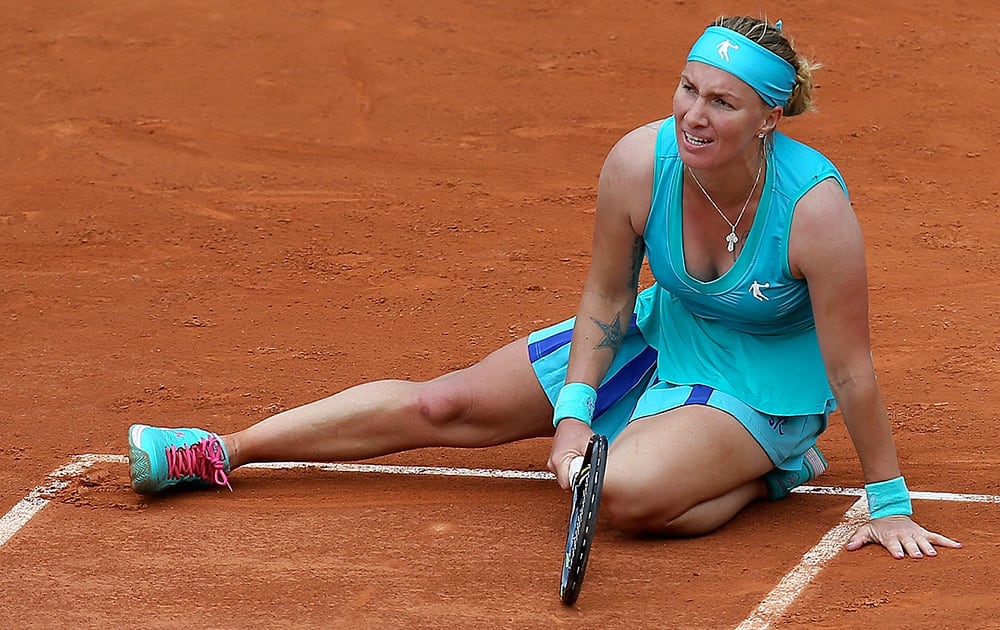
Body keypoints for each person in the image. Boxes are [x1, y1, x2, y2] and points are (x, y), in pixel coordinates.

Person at [128, 15, 960, 560]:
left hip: (762, 382)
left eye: (723, 103)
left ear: (768, 119)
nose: (693, 116)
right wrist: (571, 417)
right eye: (688, 89)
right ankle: (218, 450)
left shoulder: (814, 211)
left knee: (623, 496)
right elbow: (603, 298)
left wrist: (886, 499)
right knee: (446, 405)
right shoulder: (642, 163)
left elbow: (850, 367)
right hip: (661, 332)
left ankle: (768, 465)